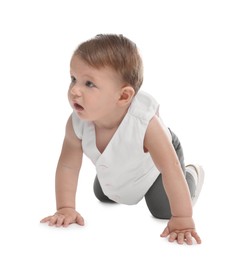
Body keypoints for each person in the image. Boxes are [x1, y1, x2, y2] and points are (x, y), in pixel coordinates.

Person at [40, 34, 205, 245]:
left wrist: (183, 219)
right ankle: (118, 176)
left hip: (155, 163)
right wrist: (65, 208)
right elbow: (67, 166)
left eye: (89, 83)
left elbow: (169, 168)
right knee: (104, 195)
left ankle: (191, 174)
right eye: (73, 79)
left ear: (124, 97)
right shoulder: (77, 123)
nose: (74, 90)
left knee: (162, 209)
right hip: (122, 161)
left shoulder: (145, 124)